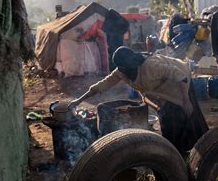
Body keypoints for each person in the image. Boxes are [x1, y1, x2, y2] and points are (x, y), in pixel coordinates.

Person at [69, 46, 209, 155]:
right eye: (119, 67)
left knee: (186, 115)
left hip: (181, 82)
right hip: (163, 90)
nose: (120, 70)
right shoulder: (122, 71)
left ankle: (202, 148)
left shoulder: (150, 66)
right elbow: (102, 85)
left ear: (130, 63)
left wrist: (186, 101)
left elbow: (181, 76)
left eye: (123, 67)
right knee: (168, 123)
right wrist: (79, 100)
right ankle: (177, 152)